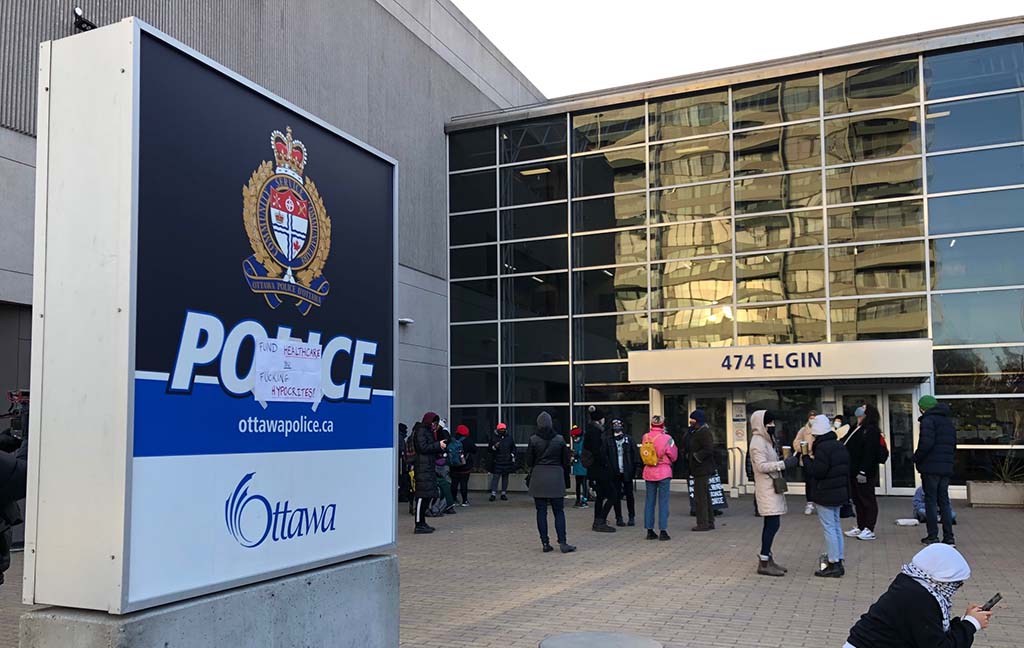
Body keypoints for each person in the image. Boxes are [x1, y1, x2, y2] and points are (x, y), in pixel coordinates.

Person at [845, 543, 992, 648]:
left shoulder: (912, 585)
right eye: (955, 583)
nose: (959, 587)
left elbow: (929, 633)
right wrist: (971, 624)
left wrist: (964, 622)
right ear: (938, 578)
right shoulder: (920, 598)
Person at [748, 410, 800, 576]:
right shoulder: (757, 442)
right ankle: (764, 560)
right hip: (766, 487)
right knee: (772, 524)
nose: (772, 425)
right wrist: (783, 464)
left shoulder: (767, 440)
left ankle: (768, 556)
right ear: (760, 424)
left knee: (773, 523)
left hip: (772, 486)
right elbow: (761, 466)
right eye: (768, 423)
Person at [803, 414, 851, 577]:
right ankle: (839, 560)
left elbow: (818, 471)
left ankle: (833, 562)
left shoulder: (823, 448)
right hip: (838, 491)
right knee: (836, 526)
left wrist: (806, 460)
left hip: (825, 492)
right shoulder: (839, 445)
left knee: (829, 528)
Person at [526, 411, 576, 554]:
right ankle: (563, 542)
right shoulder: (559, 439)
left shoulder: (533, 439)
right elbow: (566, 461)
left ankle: (545, 542)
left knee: (541, 511)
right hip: (556, 476)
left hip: (539, 476)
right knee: (559, 511)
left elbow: (529, 461)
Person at [914, 395, 958, 547]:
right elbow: (953, 446)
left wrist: (916, 458)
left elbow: (926, 443)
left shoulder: (928, 421)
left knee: (930, 501)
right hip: (945, 467)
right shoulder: (948, 422)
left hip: (930, 467)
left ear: (923, 408)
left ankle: (932, 536)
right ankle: (949, 537)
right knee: (944, 501)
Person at [844, 405, 882, 541]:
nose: (860, 409)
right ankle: (861, 526)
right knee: (858, 500)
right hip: (853, 470)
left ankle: (869, 528)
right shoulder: (856, 427)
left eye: (864, 407)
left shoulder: (871, 430)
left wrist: (863, 471)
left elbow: (870, 453)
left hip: (865, 472)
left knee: (867, 499)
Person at [642, 415, 678, 541]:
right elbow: (674, 455)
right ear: (663, 425)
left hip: (648, 472)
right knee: (663, 502)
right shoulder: (667, 438)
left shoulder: (645, 437)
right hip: (663, 472)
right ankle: (663, 531)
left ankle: (649, 530)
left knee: (649, 501)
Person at [413, 413, 447, 534]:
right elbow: (423, 447)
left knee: (428, 495)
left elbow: (428, 448)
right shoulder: (421, 431)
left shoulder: (428, 432)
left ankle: (422, 522)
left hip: (428, 466)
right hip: (422, 467)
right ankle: (418, 523)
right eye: (433, 422)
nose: (435, 425)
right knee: (422, 496)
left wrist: (439, 447)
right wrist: (438, 445)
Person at [583, 406, 616, 532]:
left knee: (601, 495)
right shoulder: (595, 432)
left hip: (595, 470)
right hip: (600, 470)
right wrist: (607, 465)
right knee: (612, 494)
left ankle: (598, 520)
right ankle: (601, 520)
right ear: (599, 419)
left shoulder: (591, 430)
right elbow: (598, 452)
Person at [604, 419, 638, 527]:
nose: (617, 427)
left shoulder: (629, 440)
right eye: (615, 425)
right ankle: (618, 517)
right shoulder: (608, 440)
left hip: (627, 470)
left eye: (619, 425)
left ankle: (631, 516)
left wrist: (636, 469)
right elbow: (605, 456)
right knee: (616, 495)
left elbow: (635, 455)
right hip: (614, 472)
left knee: (629, 495)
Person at [688, 409, 716, 532]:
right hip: (700, 468)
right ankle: (709, 521)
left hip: (702, 469)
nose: (690, 421)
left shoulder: (704, 432)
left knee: (700, 498)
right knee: (705, 496)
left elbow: (709, 449)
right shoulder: (697, 431)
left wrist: (696, 457)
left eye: (692, 419)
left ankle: (703, 523)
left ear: (697, 420)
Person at [793, 410, 817, 515]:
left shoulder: (821, 429)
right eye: (810, 417)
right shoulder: (803, 430)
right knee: (809, 482)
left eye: (814, 417)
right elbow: (796, 443)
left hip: (818, 459)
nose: (812, 419)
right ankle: (809, 503)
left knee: (818, 482)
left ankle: (820, 503)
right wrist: (804, 449)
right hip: (807, 459)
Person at [449, 424, 476, 507]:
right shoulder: (468, 441)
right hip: (465, 466)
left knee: (454, 483)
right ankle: (464, 501)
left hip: (453, 466)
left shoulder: (452, 440)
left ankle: (453, 500)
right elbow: (475, 450)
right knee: (464, 483)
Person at [488, 422, 516, 502]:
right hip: (497, 460)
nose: (502, 430)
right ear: (498, 429)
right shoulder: (493, 438)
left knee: (505, 477)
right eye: (501, 429)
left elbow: (513, 447)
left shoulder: (509, 438)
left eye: (503, 429)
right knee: (495, 478)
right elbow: (489, 449)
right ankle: (493, 493)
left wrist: (512, 454)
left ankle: (503, 493)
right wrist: (494, 447)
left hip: (507, 460)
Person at [569, 425, 589, 508]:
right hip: (579, 466)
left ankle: (584, 499)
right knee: (578, 484)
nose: (574, 438)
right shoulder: (577, 441)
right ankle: (578, 499)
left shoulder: (583, 441)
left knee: (583, 484)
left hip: (582, 465)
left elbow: (583, 452)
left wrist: (576, 455)